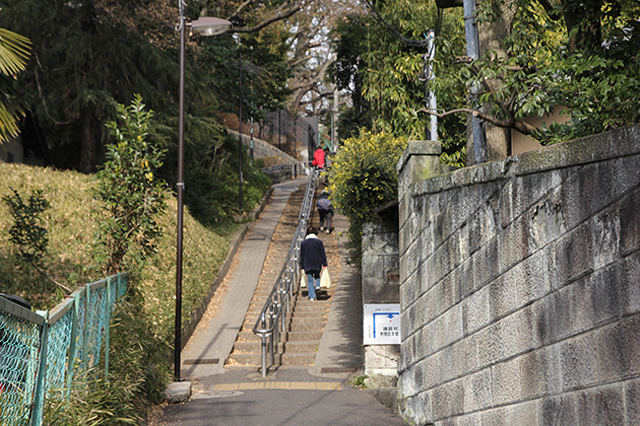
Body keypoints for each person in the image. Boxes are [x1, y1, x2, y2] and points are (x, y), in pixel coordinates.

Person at [299, 227, 327, 301]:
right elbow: (322, 253)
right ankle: (317, 285)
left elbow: (302, 255)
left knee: (310, 279)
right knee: (317, 275)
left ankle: (312, 296)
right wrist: (324, 263)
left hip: (307, 262)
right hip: (317, 261)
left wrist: (302, 266)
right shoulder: (319, 242)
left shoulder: (303, 243)